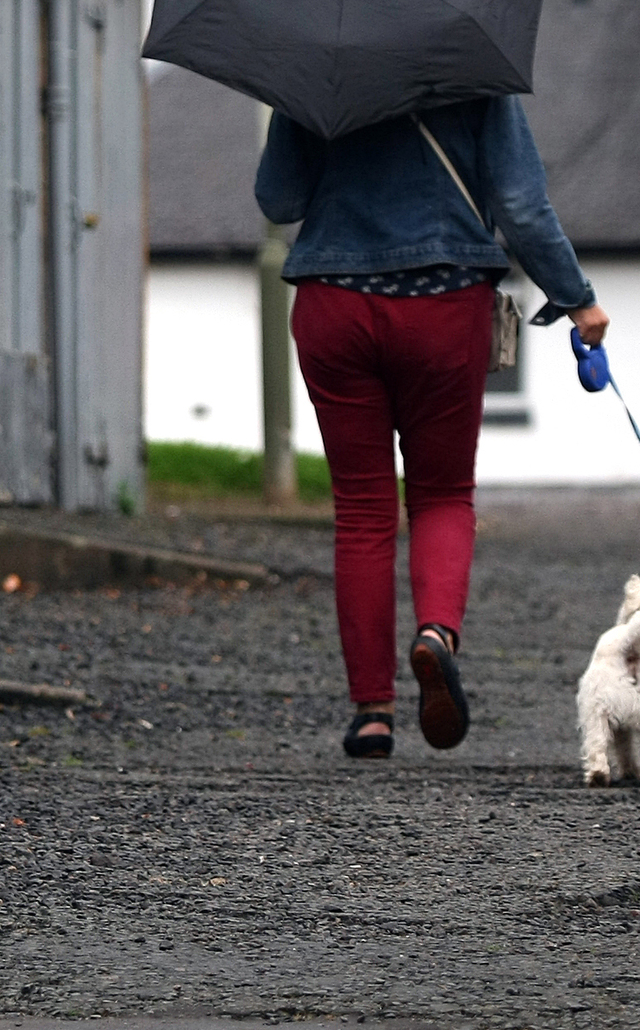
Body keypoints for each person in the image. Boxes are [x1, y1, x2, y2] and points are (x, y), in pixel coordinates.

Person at [255, 94, 605, 758]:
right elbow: (521, 206)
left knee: (362, 509)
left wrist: (301, 116)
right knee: (442, 494)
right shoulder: (470, 68)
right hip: (442, 304)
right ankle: (436, 636)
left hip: (334, 303)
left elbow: (279, 202)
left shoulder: (312, 69)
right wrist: (576, 297)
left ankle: (372, 714)